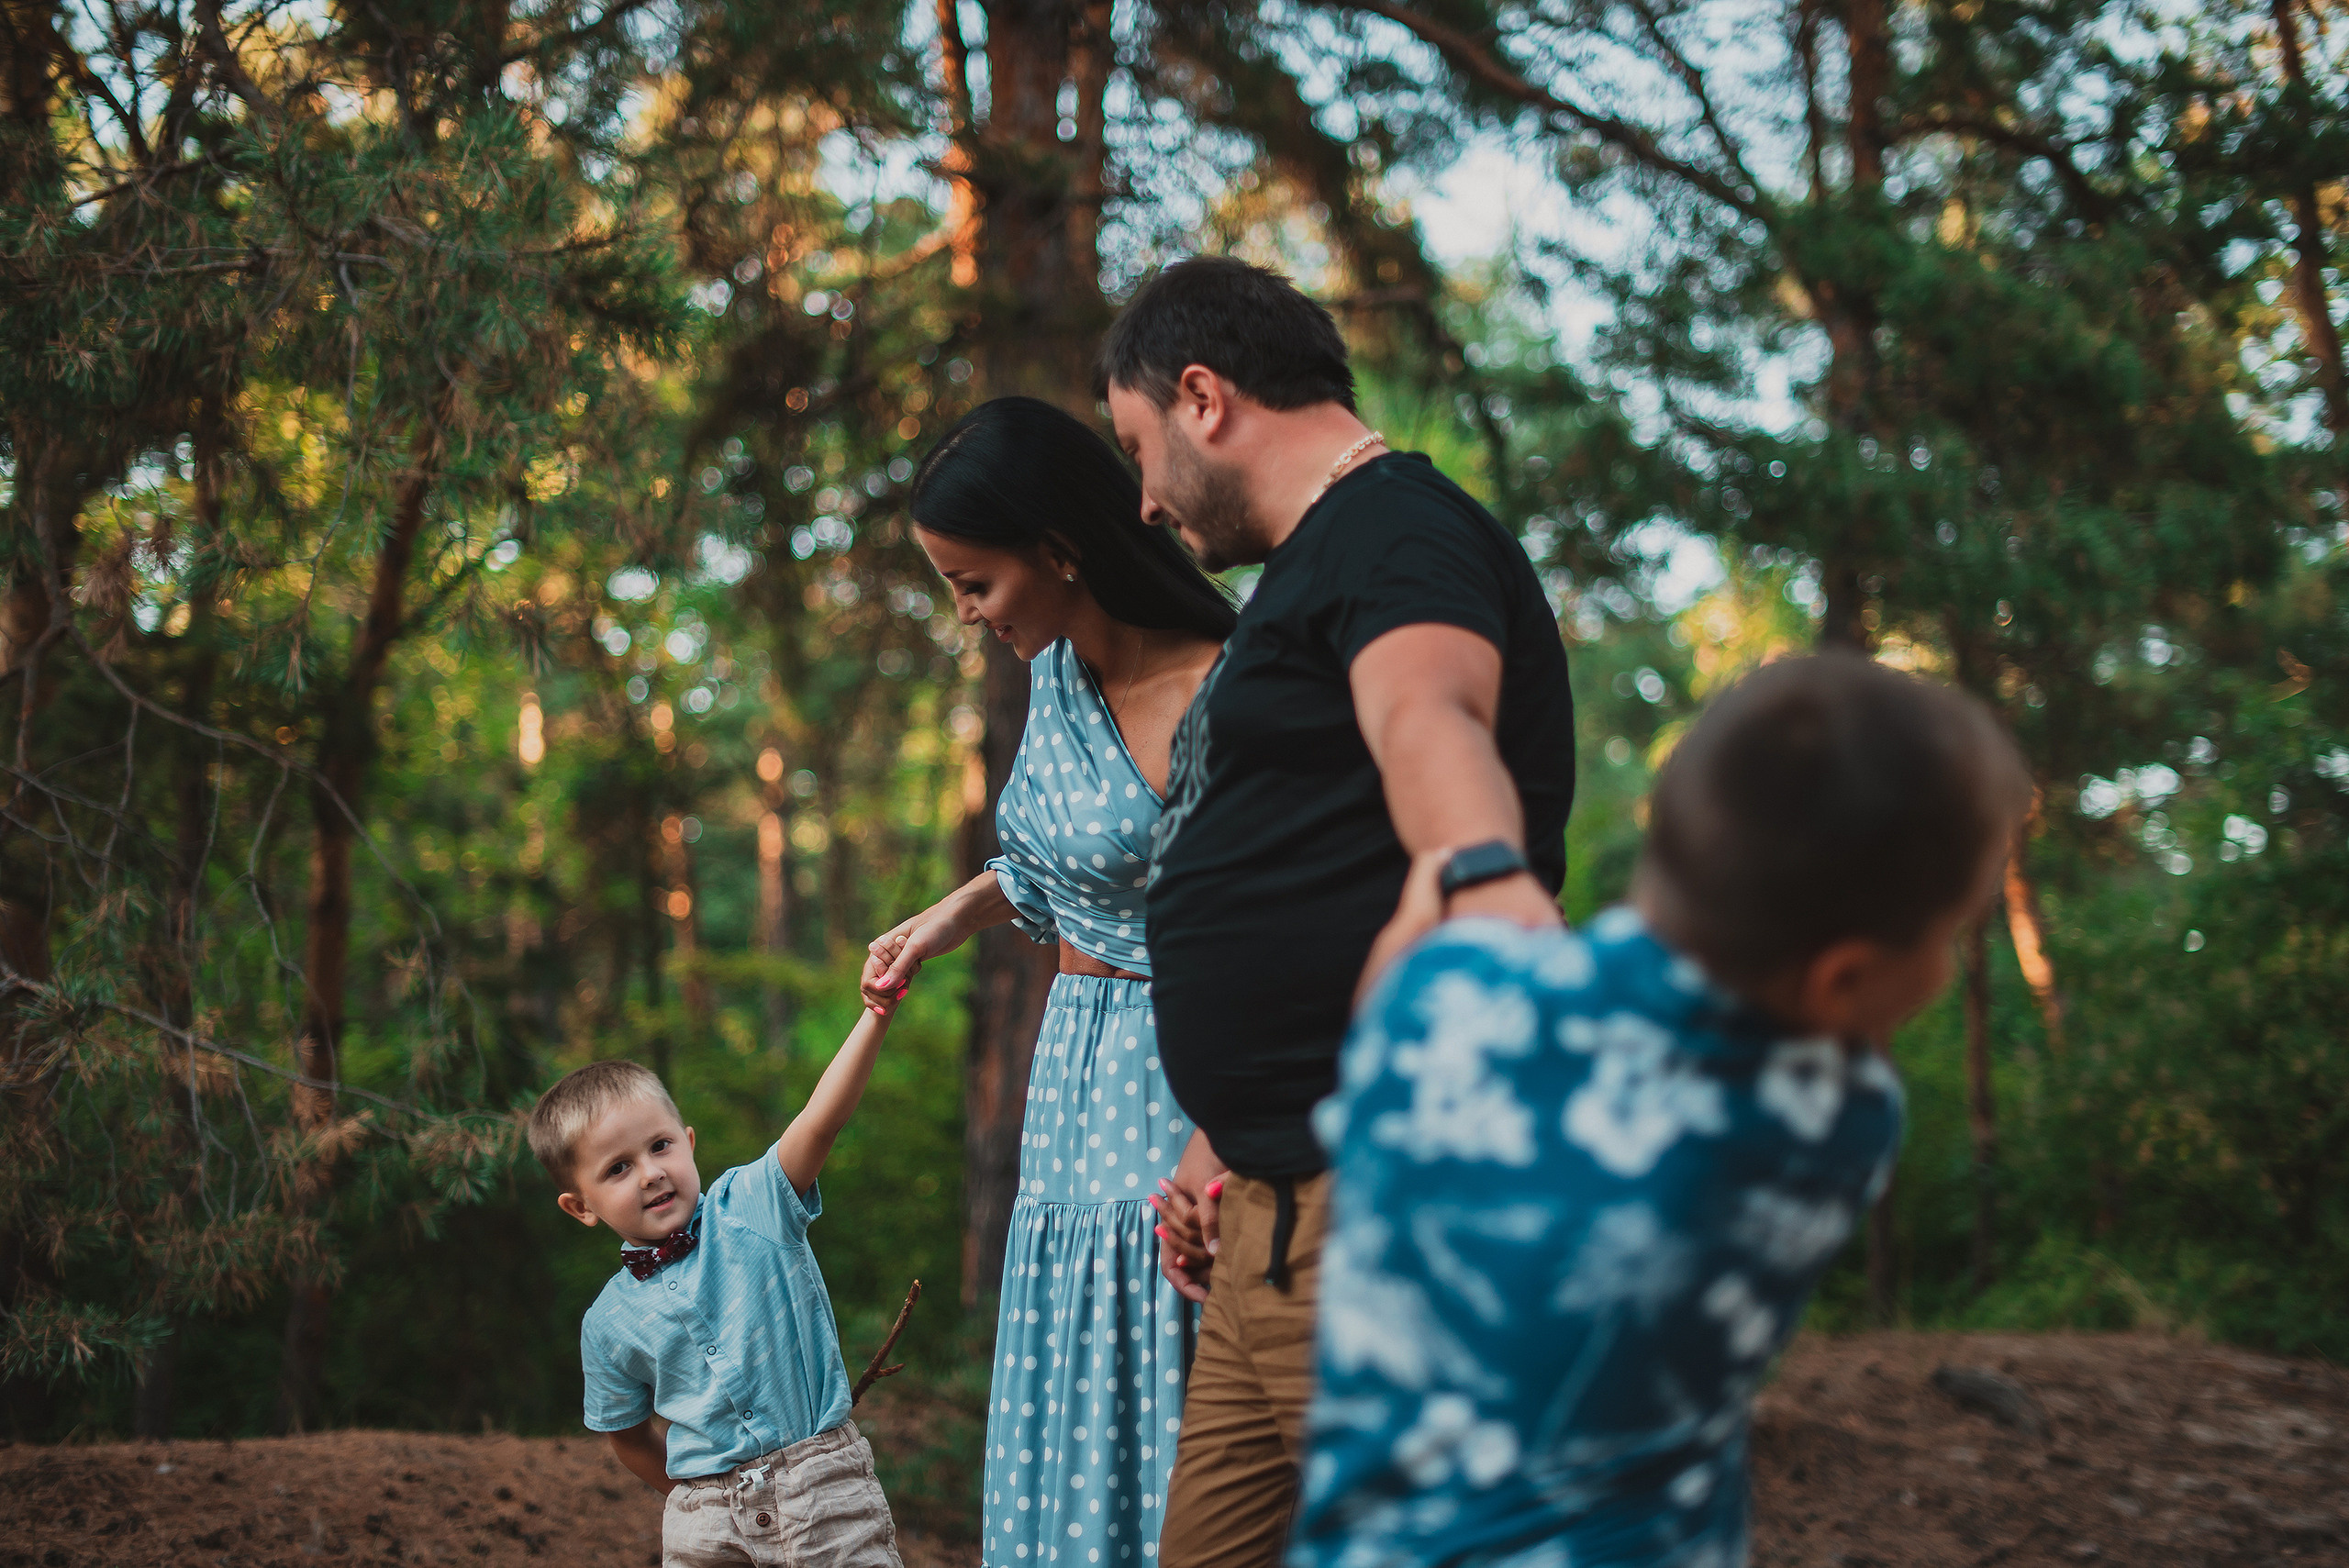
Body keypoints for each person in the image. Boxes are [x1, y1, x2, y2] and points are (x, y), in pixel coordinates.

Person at [1292, 653, 2032, 1568]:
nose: (1950, 964)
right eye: (1952, 933)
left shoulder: (1432, 1002)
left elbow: (1395, 982)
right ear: (1841, 975)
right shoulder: (1831, 1128)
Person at [1097, 256, 1578, 1565]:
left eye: (1138, 447)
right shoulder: (1308, 578)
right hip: (1260, 1216)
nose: (1142, 498)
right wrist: (1218, 1136)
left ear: (1204, 398)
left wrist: (1481, 872)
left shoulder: (1396, 534)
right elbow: (1307, 862)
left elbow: (1432, 719)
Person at [858, 395, 1236, 1567]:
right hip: (1070, 1075)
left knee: (1154, 1356)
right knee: (1067, 1362)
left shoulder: (1225, 691)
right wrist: (943, 917)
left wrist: (1222, 1130)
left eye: (975, 583)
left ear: (1062, 550)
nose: (968, 614)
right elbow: (1046, 857)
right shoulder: (1058, 671)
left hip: (1178, 1076)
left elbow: (1269, 927)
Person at [528, 987, 909, 1568]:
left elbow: (820, 1122)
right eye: (618, 1168)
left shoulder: (753, 1205)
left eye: (660, 1146)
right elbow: (627, 1438)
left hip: (825, 1500)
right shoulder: (606, 1324)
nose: (652, 1173)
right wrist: (698, 1499)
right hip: (705, 1526)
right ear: (581, 1206)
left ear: (689, 1142)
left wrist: (875, 1015)